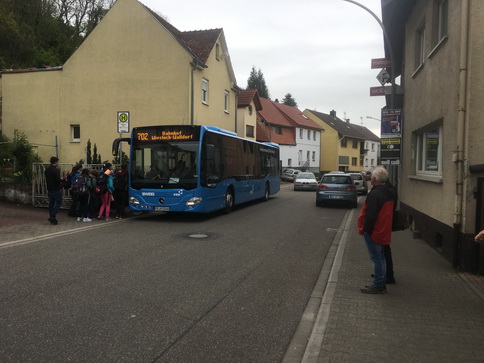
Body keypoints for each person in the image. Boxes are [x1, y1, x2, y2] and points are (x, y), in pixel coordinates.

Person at [357, 166, 397, 294]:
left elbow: (371, 214)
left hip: (375, 231)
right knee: (381, 256)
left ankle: (379, 285)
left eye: (372, 177)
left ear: (374, 179)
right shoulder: (388, 191)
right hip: (383, 229)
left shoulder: (376, 194)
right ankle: (382, 280)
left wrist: (366, 230)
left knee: (377, 258)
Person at [45, 156, 63, 225]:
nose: (58, 163)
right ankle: (52, 216)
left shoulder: (47, 170)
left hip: (49, 188)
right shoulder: (56, 170)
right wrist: (62, 180)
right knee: (59, 202)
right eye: (57, 162)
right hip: (56, 188)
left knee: (51, 203)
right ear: (55, 162)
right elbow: (57, 180)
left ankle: (53, 217)